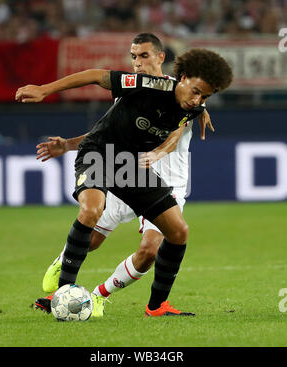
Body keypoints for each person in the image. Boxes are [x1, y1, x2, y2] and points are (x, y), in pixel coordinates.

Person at [16, 47, 233, 317]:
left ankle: (156, 306)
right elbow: (97, 75)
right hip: (99, 153)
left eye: (206, 96)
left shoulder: (194, 107)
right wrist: (44, 90)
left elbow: (182, 126)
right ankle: (63, 292)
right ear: (184, 77)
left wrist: (198, 110)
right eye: (196, 91)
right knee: (92, 210)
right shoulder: (149, 84)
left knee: (178, 231)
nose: (198, 99)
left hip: (130, 166)